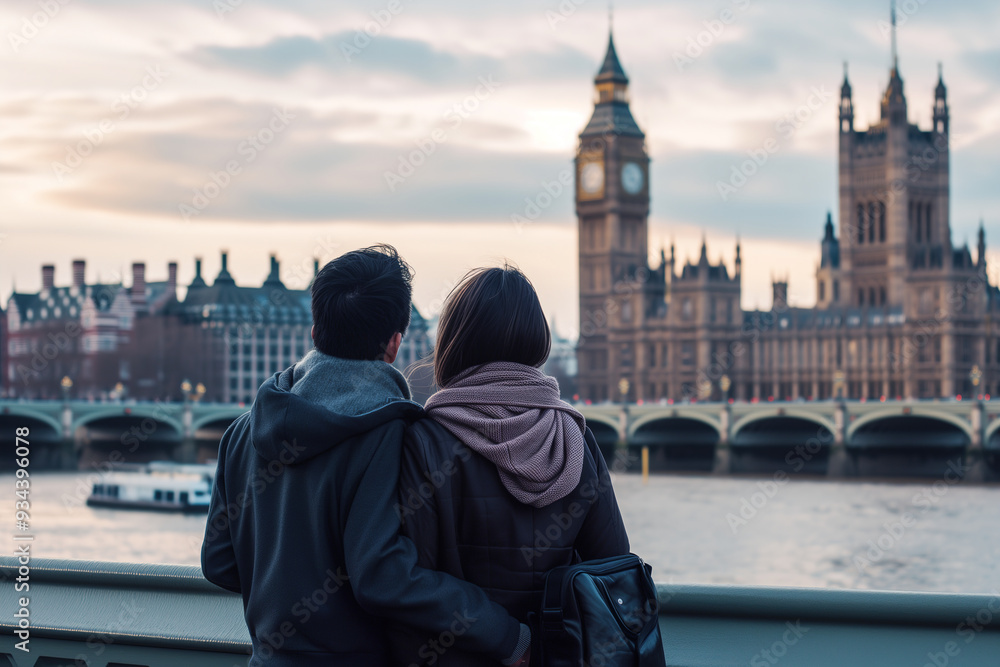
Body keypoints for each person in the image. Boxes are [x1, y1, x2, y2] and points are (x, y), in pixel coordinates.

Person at [201, 246, 530, 667]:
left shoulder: (241, 433)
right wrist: (506, 635)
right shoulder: (390, 435)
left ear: (315, 331)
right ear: (394, 344)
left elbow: (218, 564)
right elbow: (383, 576)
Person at [391, 265, 631, 666]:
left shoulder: (425, 441)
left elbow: (412, 581)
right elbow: (612, 567)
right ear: (537, 339)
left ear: (455, 340)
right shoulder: (575, 437)